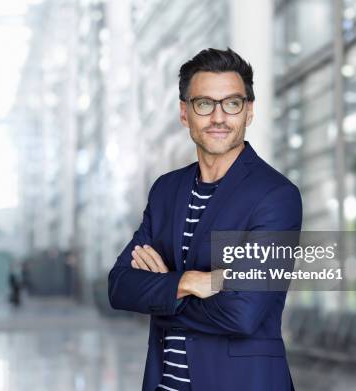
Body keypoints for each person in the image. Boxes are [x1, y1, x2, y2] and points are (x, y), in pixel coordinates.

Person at [108, 48, 302, 391]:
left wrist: (166, 286)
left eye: (232, 103)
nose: (218, 117)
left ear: (249, 112)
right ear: (185, 113)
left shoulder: (275, 197)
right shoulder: (166, 190)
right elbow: (120, 286)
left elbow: (243, 313)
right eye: (204, 104)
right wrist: (191, 282)